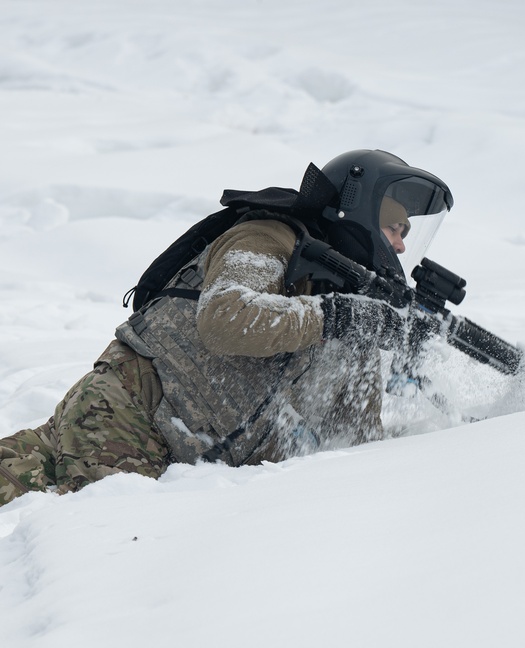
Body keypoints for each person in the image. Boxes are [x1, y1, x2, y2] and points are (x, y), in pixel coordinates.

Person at [0, 149, 453, 507]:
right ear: (357, 213)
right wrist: (339, 318)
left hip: (169, 439)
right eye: (393, 227)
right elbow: (227, 317)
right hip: (129, 416)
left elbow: (354, 440)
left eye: (407, 234)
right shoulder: (268, 238)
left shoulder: (350, 307)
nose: (399, 244)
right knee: (103, 551)